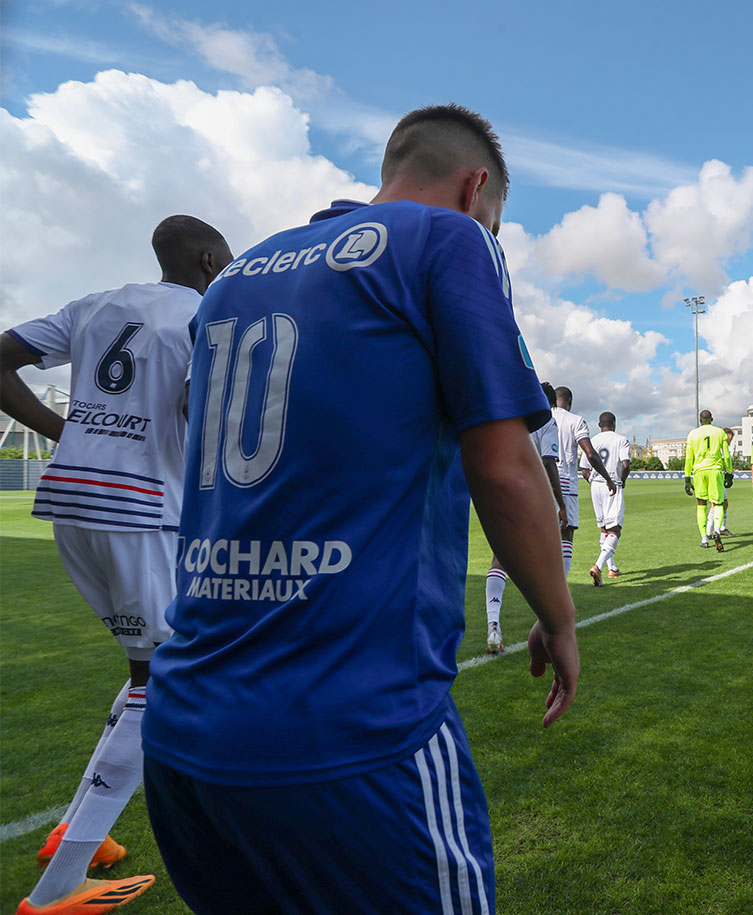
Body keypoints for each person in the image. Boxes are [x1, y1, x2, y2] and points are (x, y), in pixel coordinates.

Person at [140, 104, 580, 915]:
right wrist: (557, 614)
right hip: (350, 728)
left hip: (183, 729)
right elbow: (505, 465)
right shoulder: (448, 240)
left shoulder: (235, 277)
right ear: (475, 186)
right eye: (496, 220)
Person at [2, 216, 232, 914]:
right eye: (226, 257)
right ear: (205, 257)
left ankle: (77, 829)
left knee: (146, 665)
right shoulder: (206, 311)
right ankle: (57, 889)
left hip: (70, 504)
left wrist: (66, 431)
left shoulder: (93, 304)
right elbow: (200, 408)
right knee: (161, 678)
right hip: (138, 511)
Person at [485, 382, 568, 653]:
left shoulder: (510, 418)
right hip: (531, 493)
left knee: (500, 557)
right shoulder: (546, 421)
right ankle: (550, 626)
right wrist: (559, 502)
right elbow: (547, 461)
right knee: (546, 558)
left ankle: (493, 626)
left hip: (499, 489)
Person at [552, 386, 617, 576]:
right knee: (566, 533)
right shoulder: (575, 421)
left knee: (543, 534)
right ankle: (561, 588)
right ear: (570, 402)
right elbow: (590, 454)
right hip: (565, 483)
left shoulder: (541, 417)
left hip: (540, 482)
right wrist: (607, 478)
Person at [580, 411, 631, 585]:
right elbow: (625, 464)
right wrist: (621, 481)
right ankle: (598, 567)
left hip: (595, 485)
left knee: (604, 528)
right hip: (612, 484)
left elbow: (584, 469)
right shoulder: (621, 439)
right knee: (615, 529)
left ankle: (612, 568)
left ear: (599, 425)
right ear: (614, 423)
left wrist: (594, 483)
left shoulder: (592, 440)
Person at [683, 409, 732, 550]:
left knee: (701, 504)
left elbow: (689, 458)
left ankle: (704, 538)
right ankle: (717, 530)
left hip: (699, 472)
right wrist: (729, 472)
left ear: (700, 420)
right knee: (718, 503)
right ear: (712, 419)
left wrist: (687, 478)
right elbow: (726, 455)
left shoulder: (693, 434)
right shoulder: (720, 432)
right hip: (715, 471)